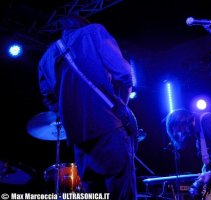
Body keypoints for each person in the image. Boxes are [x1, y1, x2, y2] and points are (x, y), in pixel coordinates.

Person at [38, 15, 137, 199]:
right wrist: (120, 106)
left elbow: (50, 101)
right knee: (122, 193)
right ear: (83, 25)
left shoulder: (45, 59)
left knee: (93, 194)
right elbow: (123, 74)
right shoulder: (93, 31)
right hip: (109, 126)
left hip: (78, 139)